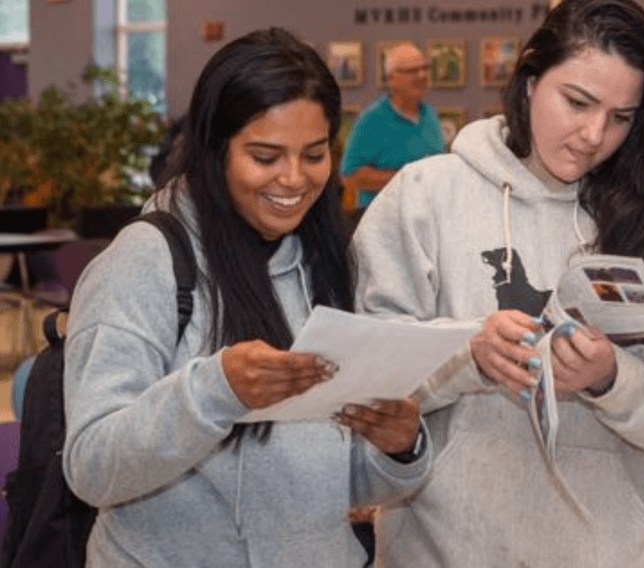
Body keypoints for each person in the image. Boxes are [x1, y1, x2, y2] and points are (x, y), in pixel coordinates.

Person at [352, 0, 644, 567]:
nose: (593, 135)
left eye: (620, 118)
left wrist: (613, 379)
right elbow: (369, 379)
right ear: (531, 79)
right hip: (444, 549)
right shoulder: (425, 197)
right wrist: (468, 356)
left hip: (617, 550)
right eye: (578, 102)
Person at [62, 28, 431, 567]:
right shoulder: (145, 261)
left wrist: (400, 448)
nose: (293, 179)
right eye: (264, 156)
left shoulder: (327, 259)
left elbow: (330, 483)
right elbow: (92, 466)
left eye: (313, 155)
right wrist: (215, 392)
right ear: (215, 150)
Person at [339, 42, 444, 210]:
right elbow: (350, 176)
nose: (422, 75)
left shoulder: (430, 114)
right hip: (384, 220)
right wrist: (407, 178)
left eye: (425, 68)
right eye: (412, 71)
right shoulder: (371, 120)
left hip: (426, 216)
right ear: (391, 78)